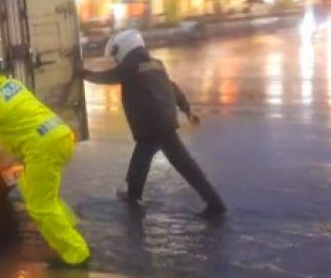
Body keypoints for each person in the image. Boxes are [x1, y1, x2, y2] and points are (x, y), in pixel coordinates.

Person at [0, 57, 92, 267]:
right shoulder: (8, 84)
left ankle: (76, 253)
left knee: (40, 206)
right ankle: (67, 226)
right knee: (34, 190)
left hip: (42, 148)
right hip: (59, 135)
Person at [82, 29, 227, 219]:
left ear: (125, 49)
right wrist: (187, 111)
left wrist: (85, 74)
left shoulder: (130, 67)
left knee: (153, 164)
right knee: (173, 165)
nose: (116, 60)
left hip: (151, 127)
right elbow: (173, 88)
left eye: (116, 55)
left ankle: (135, 200)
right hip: (164, 123)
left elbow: (108, 77)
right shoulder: (157, 64)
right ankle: (214, 203)